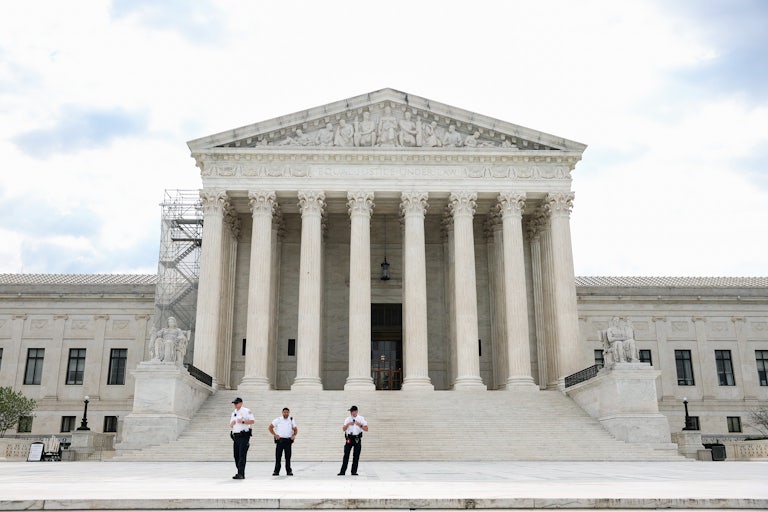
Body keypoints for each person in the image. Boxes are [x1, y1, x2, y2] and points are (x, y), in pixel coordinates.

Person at [338, 405, 368, 476]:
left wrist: (359, 425)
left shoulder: (361, 418)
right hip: (349, 438)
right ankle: (342, 472)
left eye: (353, 411)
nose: (351, 413)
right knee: (346, 455)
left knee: (356, 455)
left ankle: (354, 472)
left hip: (357, 438)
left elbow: (366, 429)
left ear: (356, 411)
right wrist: (348, 424)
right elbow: (343, 429)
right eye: (351, 411)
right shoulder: (348, 419)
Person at [229, 397, 254, 480]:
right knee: (236, 455)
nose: (235, 405)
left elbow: (252, 421)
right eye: (234, 403)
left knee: (242, 455)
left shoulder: (246, 411)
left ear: (241, 403)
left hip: (244, 436)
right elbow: (231, 424)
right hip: (236, 436)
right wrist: (231, 424)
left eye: (236, 403)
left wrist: (243, 422)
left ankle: (241, 473)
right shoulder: (234, 412)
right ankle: (239, 471)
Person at [268, 407, 297, 476]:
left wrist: (294, 435)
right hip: (280, 441)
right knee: (278, 457)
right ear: (282, 412)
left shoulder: (291, 420)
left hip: (288, 441)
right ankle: (276, 471)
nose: (286, 413)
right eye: (284, 412)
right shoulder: (278, 420)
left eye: (287, 412)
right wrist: (275, 434)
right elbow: (270, 427)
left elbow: (295, 429)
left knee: (288, 457)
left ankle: (289, 471)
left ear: (289, 413)